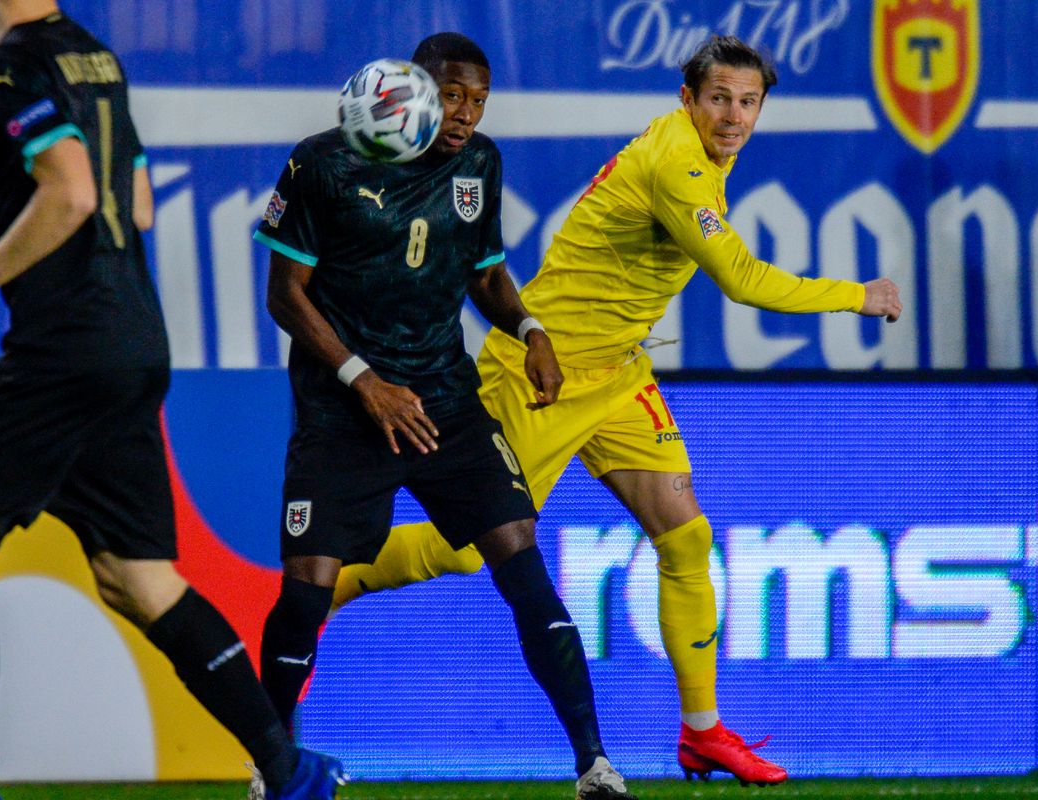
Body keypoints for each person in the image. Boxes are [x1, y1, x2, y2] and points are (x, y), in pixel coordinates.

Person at [323, 34, 904, 786]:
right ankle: (312, 594)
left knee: (686, 538)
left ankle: (701, 733)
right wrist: (858, 295)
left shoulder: (704, 154)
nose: (733, 116)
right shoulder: (679, 165)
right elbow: (742, 281)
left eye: (748, 102)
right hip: (547, 370)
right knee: (464, 549)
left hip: (620, 373)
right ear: (686, 99)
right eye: (719, 99)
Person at [0, 3, 342, 799]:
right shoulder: (95, 58)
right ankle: (289, 769)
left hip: (63, 352)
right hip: (134, 342)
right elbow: (131, 202)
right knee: (139, 578)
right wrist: (7, 243)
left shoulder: (7, 67)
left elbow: (70, 193)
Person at [252, 32, 634, 800]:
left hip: (444, 403)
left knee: (521, 554)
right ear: (415, 86)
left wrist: (529, 331)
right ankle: (274, 767)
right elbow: (283, 294)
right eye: (454, 95)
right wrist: (364, 380)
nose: (465, 114)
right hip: (343, 410)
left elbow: (485, 273)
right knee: (307, 583)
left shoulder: (479, 163)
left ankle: (594, 765)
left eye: (478, 100)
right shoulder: (320, 163)